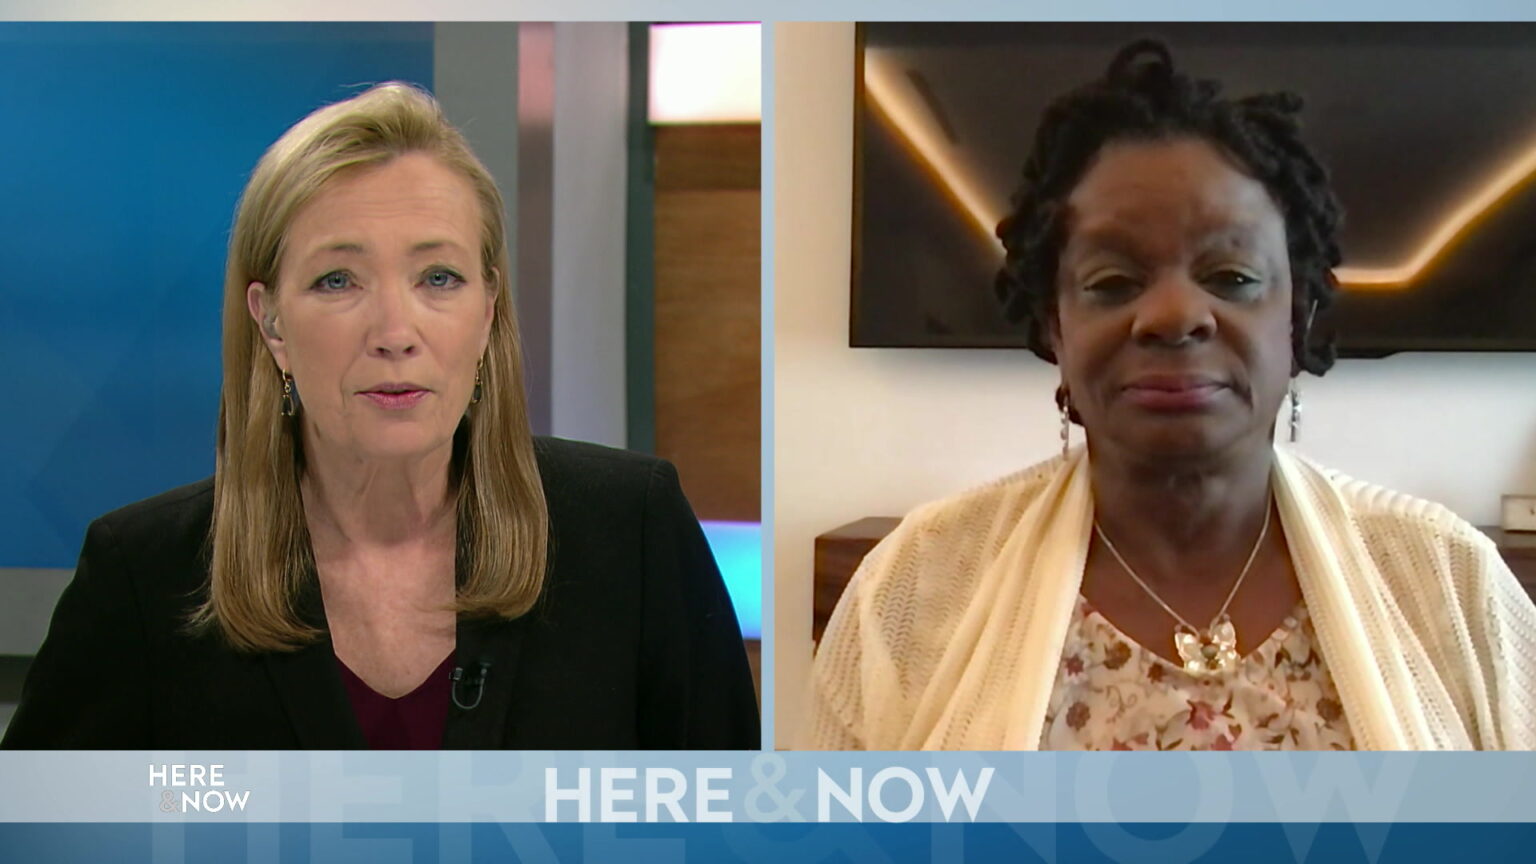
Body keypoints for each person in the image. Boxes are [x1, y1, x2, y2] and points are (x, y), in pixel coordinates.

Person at [810, 40, 1536, 751]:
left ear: (1299, 318)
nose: (1172, 315)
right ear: (1055, 328)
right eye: (1113, 283)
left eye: (1231, 277)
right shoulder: (914, 589)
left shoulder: (1449, 581)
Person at [3, 83, 759, 749]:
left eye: (439, 277)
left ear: (489, 310)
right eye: (338, 280)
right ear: (271, 326)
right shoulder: (146, 575)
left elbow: (726, 836)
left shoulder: (631, 533)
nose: (396, 332)